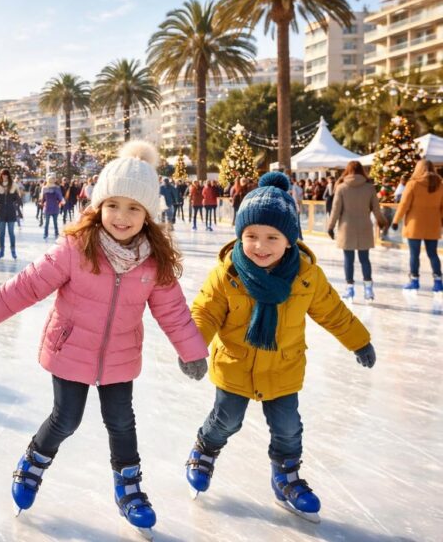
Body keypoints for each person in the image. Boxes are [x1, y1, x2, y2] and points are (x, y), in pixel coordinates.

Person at [0, 141, 208, 538]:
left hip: (120, 355)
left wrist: (191, 350)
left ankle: (129, 488)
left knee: (121, 422)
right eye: (113, 205)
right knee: (66, 418)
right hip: (70, 348)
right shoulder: (76, 247)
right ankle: (34, 461)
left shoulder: (153, 262)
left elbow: (173, 310)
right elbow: (30, 284)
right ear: (98, 204)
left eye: (134, 208)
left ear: (148, 214)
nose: (121, 217)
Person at [186, 171, 375, 523]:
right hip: (235, 364)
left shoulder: (306, 276)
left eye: (272, 236)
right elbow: (205, 312)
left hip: (284, 367)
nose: (260, 245)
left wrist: (359, 340)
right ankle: (205, 449)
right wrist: (194, 347)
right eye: (251, 236)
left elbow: (334, 312)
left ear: (290, 239)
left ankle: (286, 477)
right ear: (240, 235)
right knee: (226, 420)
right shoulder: (228, 274)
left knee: (288, 427)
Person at [327, 161, 387, 301]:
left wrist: (330, 227)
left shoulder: (341, 187)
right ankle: (368, 289)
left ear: (347, 171)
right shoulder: (369, 188)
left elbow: (335, 210)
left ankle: (350, 289)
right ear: (361, 171)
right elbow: (376, 209)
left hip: (347, 228)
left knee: (349, 259)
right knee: (365, 259)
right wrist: (382, 222)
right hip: (364, 227)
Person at [391, 159, 443, 293]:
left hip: (415, 225)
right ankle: (438, 282)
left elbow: (404, 205)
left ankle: (414, 280)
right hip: (433, 224)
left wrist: (396, 220)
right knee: (433, 254)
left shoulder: (413, 184)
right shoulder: (440, 185)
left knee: (414, 254)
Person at [0, 168, 22, 259]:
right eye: (3, 175)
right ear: (1, 175)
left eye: (6, 175)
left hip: (10, 211)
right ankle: (1, 250)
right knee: (1, 232)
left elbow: (17, 197)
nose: (4, 177)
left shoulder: (13, 185)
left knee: (11, 232)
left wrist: (19, 203)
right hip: (0, 210)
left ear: (8, 176)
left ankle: (13, 250)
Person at [41, 176, 64, 240]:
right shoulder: (56, 188)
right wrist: (61, 201)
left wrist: (42, 203)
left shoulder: (45, 188)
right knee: (54, 222)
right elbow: (60, 198)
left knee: (48, 222)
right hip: (53, 207)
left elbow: (43, 199)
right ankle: (55, 233)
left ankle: (46, 234)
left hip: (49, 207)